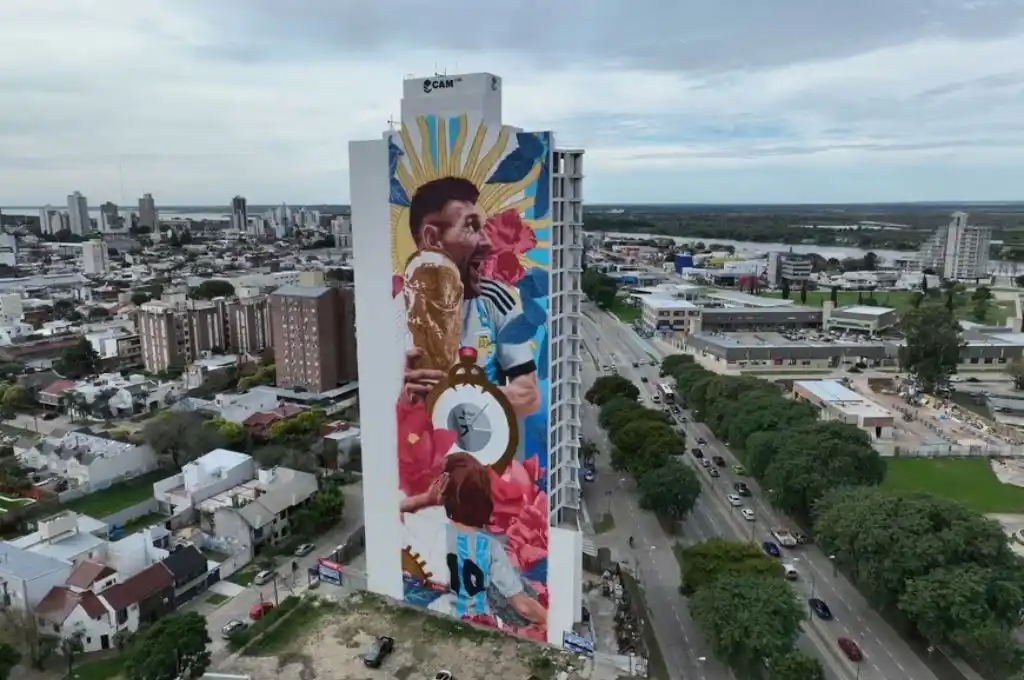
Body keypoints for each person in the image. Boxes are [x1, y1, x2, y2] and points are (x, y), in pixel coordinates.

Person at [400, 176, 540, 417]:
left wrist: (461, 394)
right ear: (433, 239)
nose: (486, 242)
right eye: (470, 226)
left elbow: (529, 396)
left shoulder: (495, 299)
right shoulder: (392, 311)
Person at [401, 453, 547, 630]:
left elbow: (391, 514)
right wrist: (547, 619)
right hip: (478, 624)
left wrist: (426, 499)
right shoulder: (490, 547)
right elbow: (521, 604)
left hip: (439, 617)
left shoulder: (431, 531)